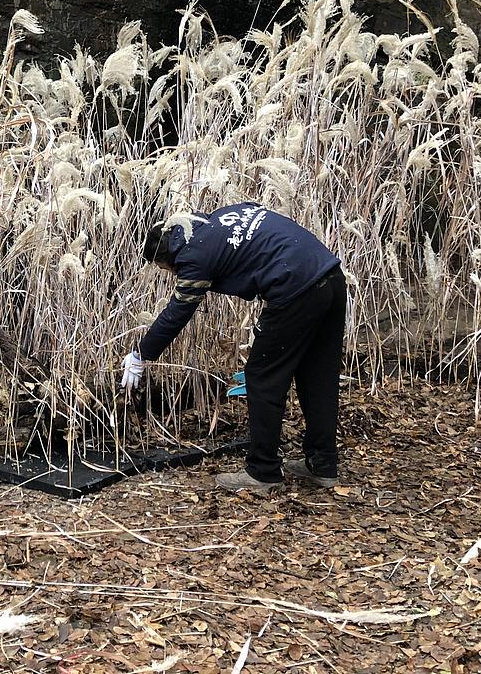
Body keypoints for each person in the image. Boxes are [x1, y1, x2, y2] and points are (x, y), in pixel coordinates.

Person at [121, 203, 345, 494]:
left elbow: (177, 313)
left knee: (262, 378)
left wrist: (141, 355)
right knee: (317, 375)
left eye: (166, 270)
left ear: (169, 257)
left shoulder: (193, 256)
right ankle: (323, 464)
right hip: (331, 276)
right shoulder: (222, 216)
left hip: (295, 289)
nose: (172, 275)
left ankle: (262, 472)